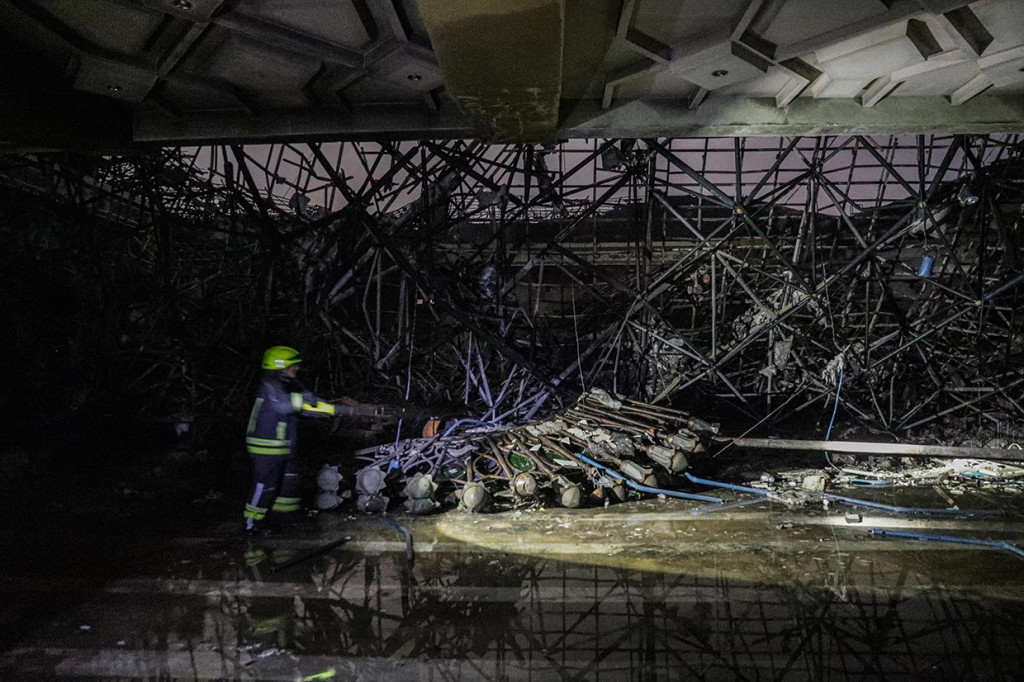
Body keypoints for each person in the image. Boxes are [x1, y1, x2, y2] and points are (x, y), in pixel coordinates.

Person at [243, 345, 337, 534]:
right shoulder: (270, 385)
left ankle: (273, 519)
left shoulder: (282, 385)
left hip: (278, 448)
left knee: (279, 486)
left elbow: (300, 407)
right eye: (292, 366)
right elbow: (284, 405)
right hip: (265, 448)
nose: (296, 369)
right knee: (264, 486)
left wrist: (328, 409)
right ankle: (251, 524)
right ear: (280, 366)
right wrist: (305, 399)